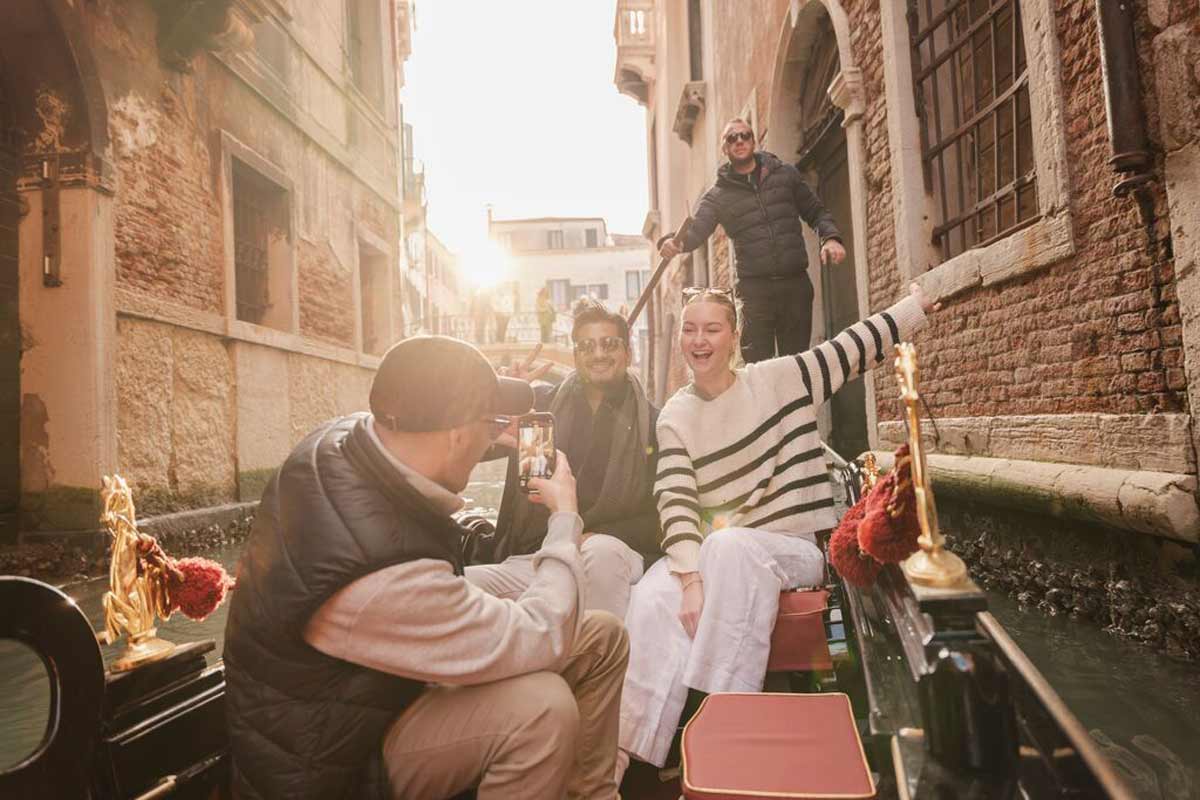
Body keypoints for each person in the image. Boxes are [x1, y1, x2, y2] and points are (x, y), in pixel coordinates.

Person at [223, 336, 628, 800]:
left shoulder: (347, 437)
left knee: (602, 638)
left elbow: (423, 443)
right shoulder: (381, 578)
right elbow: (541, 636)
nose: (491, 434)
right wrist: (564, 518)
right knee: (542, 708)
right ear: (455, 434)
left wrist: (488, 438)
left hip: (377, 690)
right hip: (337, 761)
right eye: (487, 424)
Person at [616, 283, 938, 775]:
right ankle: (628, 756)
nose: (698, 340)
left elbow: (852, 348)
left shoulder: (779, 378)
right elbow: (675, 499)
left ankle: (728, 721)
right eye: (689, 329)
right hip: (722, 553)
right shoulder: (676, 416)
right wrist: (688, 580)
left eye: (711, 329)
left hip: (793, 547)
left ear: (734, 337)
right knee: (650, 593)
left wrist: (914, 308)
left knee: (726, 547)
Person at [470, 298, 660, 620]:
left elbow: (661, 518)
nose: (598, 354)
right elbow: (472, 448)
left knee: (600, 553)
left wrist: (595, 534)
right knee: (468, 583)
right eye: (586, 346)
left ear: (627, 353)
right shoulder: (541, 405)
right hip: (542, 551)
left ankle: (599, 663)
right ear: (575, 357)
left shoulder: (653, 424)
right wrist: (493, 404)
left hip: (613, 552)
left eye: (609, 344)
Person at [659, 118, 847, 364]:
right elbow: (696, 231)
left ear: (753, 140)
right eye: (731, 138)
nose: (739, 141)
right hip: (755, 293)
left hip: (795, 287)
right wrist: (673, 242)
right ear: (724, 149)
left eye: (744, 135)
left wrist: (830, 238)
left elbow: (816, 211)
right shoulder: (717, 197)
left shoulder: (785, 175)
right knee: (757, 369)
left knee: (796, 365)